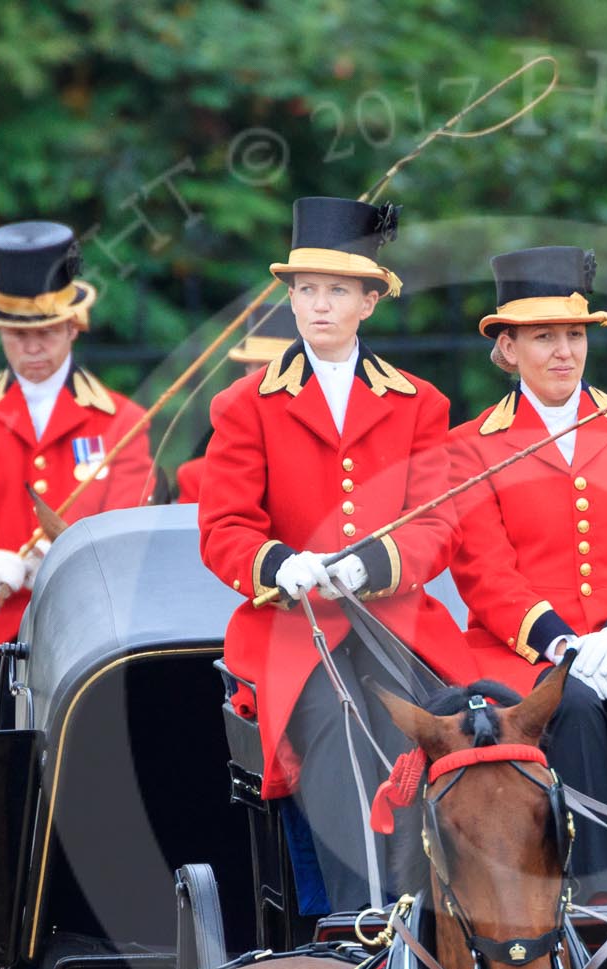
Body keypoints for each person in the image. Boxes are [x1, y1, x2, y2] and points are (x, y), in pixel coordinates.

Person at [198, 197, 474, 912]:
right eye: (307, 289)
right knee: (333, 725)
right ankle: (362, 924)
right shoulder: (244, 404)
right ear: (291, 298)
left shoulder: (420, 404)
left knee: (441, 730)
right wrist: (277, 564)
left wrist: (369, 565)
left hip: (397, 621)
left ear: (370, 301)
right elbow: (223, 527)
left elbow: (439, 523)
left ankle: (450, 910)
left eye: (339, 290)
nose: (319, 305)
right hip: (291, 631)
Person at [447, 247, 607, 901]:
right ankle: (590, 901)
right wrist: (563, 645)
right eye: (543, 337)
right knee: (574, 706)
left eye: (574, 334)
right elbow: (483, 570)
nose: (563, 351)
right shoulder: (470, 446)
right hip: (528, 652)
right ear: (507, 349)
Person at [0, 221, 151, 729]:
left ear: (73, 325)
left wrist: (68, 558)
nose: (33, 347)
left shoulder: (123, 423)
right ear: (0, 333)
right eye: (18, 334)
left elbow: (129, 526)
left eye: (45, 331)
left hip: (89, 632)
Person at [172, 304, 299, 506]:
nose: (268, 379)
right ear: (247, 371)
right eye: (259, 367)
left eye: (280, 370)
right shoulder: (197, 479)